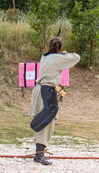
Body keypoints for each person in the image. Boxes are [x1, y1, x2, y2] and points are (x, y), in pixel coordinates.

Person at [29, 37, 80, 165]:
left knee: (42, 119)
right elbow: (77, 57)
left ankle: (39, 152)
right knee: (46, 122)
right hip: (46, 91)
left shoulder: (44, 57)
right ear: (60, 47)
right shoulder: (59, 58)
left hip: (39, 89)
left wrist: (60, 54)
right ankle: (39, 155)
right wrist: (64, 54)